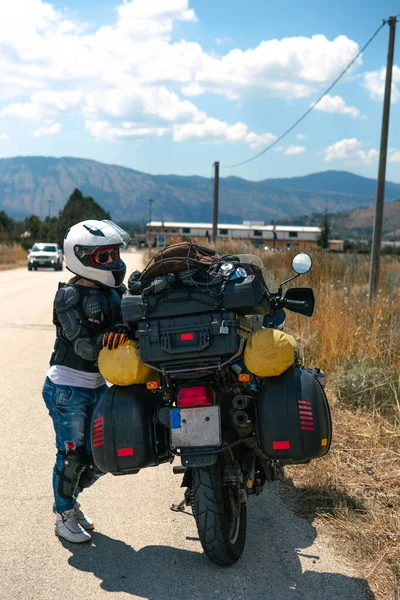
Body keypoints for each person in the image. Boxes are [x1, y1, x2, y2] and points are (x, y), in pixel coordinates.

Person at [42, 219, 130, 543]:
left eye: (114, 255)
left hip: (96, 386)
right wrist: (114, 335)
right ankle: (63, 515)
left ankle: (70, 503)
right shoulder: (68, 295)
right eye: (104, 258)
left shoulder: (115, 293)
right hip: (67, 388)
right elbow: (84, 346)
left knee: (99, 455)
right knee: (72, 455)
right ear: (81, 257)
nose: (114, 263)